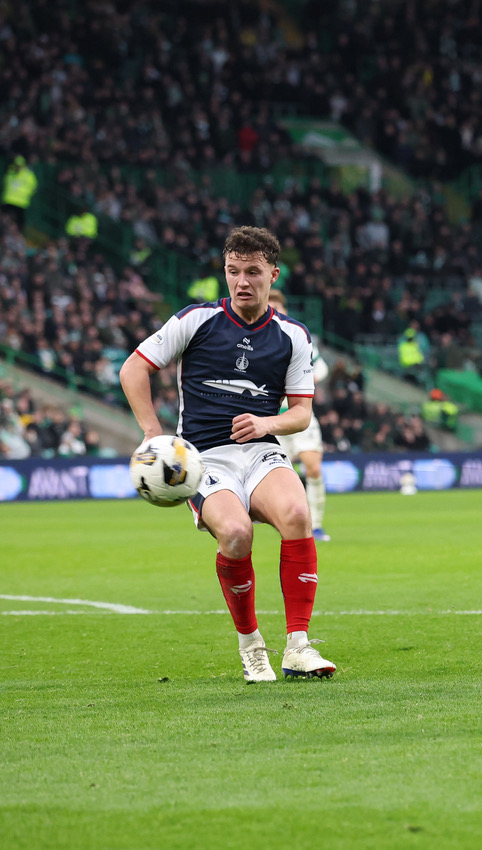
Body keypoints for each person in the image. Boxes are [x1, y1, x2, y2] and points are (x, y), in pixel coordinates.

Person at [119, 226, 335, 683]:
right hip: (203, 458)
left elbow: (300, 414)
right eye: (233, 271)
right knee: (236, 535)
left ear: (273, 275)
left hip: (260, 451)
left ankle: (298, 647)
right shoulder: (195, 321)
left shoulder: (292, 335)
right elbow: (134, 367)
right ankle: (252, 645)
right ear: (225, 271)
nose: (242, 282)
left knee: (297, 514)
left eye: (253, 272)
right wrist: (152, 434)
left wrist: (266, 424)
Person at [268, 290, 332, 541]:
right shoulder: (255, 339)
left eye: (278, 309)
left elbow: (322, 367)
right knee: (283, 476)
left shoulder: (296, 335)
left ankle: (316, 525)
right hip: (272, 420)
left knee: (313, 467)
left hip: (300, 416)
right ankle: (292, 524)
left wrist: (304, 382)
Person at [2, 155, 37, 229]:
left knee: (17, 223)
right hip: (8, 200)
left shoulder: (28, 175)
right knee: (4, 218)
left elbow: (34, 187)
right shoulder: (10, 171)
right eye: (17, 165)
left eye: (19, 165)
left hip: (21, 203)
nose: (18, 167)